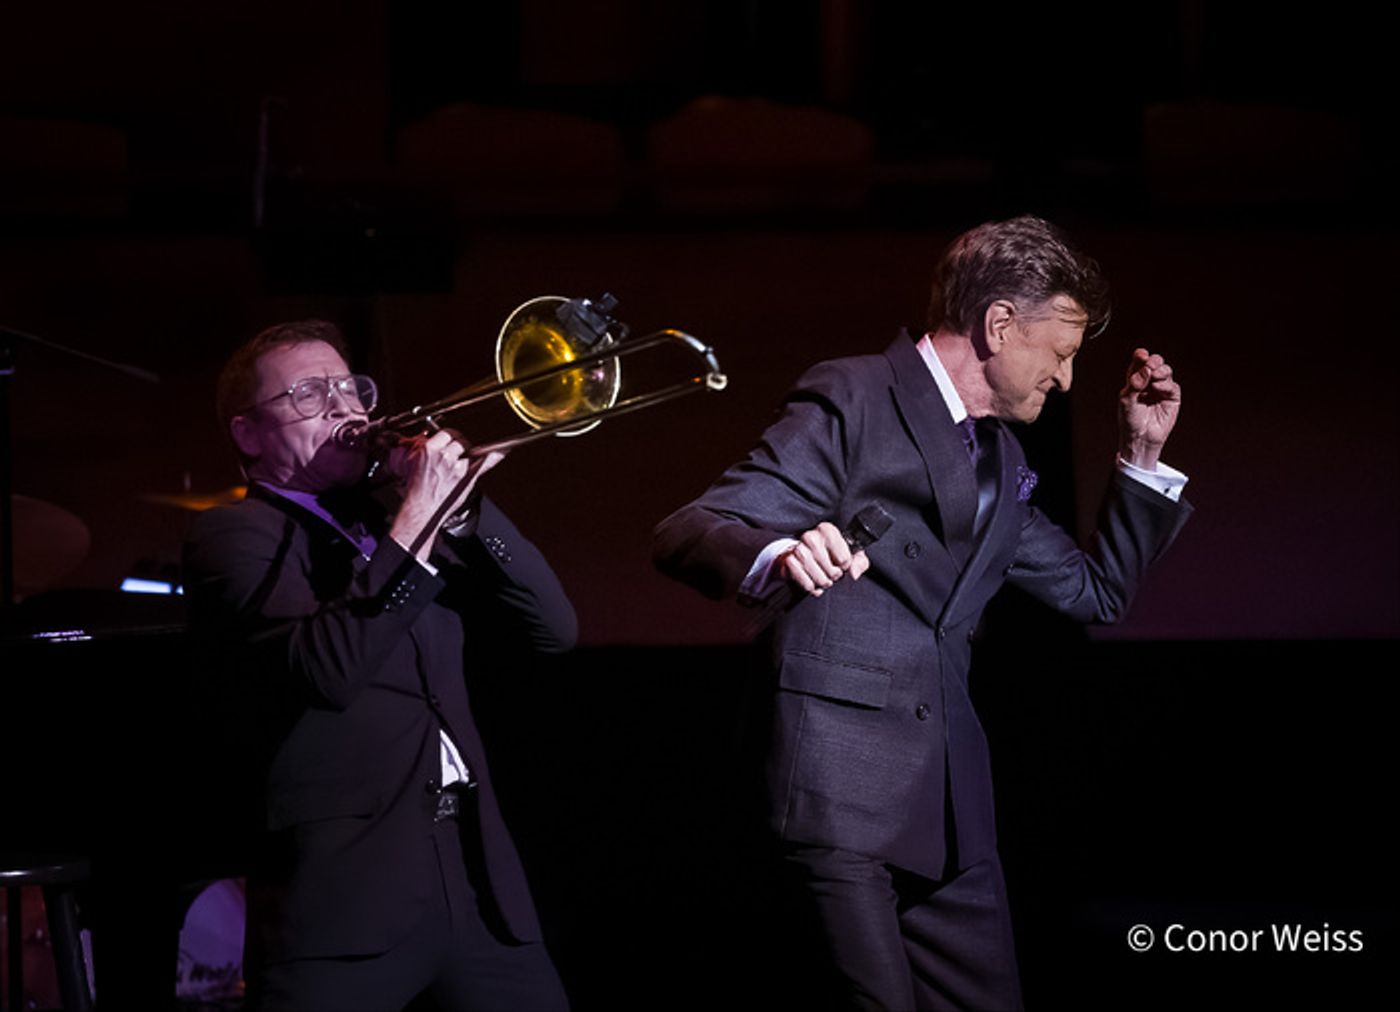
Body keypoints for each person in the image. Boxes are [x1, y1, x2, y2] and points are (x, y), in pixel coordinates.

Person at [653, 215, 1191, 1010]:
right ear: (1001, 324)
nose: (1068, 380)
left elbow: (1094, 592)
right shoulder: (856, 393)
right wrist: (780, 553)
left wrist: (1142, 457)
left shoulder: (1003, 459)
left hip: (949, 810)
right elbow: (692, 528)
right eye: (1063, 353)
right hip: (838, 794)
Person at [182, 319, 575, 1011]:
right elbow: (329, 670)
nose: (342, 406)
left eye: (347, 387)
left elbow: (554, 630)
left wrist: (462, 514)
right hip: (348, 892)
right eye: (308, 393)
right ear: (248, 434)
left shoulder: (399, 523)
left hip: (476, 873)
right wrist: (418, 513)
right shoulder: (235, 536)